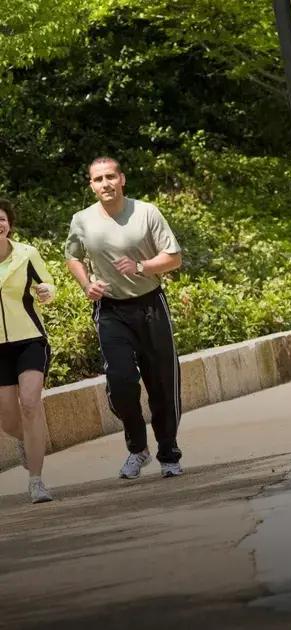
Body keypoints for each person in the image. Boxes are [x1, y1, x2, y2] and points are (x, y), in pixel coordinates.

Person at [64, 156, 184, 479]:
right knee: (120, 381)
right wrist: (87, 284)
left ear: (122, 179)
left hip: (150, 305)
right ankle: (137, 449)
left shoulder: (146, 213)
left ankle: (169, 452)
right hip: (111, 310)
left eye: (110, 177)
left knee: (161, 381)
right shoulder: (82, 220)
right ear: (91, 185)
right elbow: (72, 257)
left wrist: (142, 267)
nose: (105, 184)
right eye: (98, 179)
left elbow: (174, 258)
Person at [0, 199, 55, 503]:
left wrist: (48, 291)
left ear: (9, 224)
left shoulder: (26, 254)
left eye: (2, 218)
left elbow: (48, 283)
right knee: (8, 419)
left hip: (30, 340)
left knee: (31, 403)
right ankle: (26, 440)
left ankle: (36, 481)